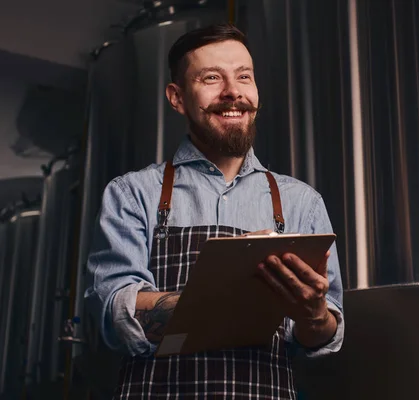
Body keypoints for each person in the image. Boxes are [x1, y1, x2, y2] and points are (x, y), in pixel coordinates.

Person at [85, 23, 344, 399]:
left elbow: (325, 332)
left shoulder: (303, 202)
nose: (233, 92)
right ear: (177, 97)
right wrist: (235, 291)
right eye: (211, 78)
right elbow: (115, 309)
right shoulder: (132, 193)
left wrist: (313, 314)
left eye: (244, 77)